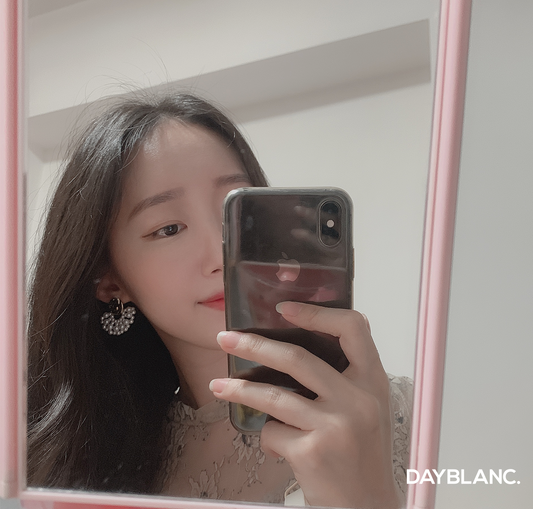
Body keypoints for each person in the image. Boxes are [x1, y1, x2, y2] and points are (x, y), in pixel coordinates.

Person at [27, 92, 412, 507]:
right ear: (109, 281)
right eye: (169, 229)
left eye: (236, 213)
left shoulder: (402, 413)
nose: (220, 254)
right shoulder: (83, 459)